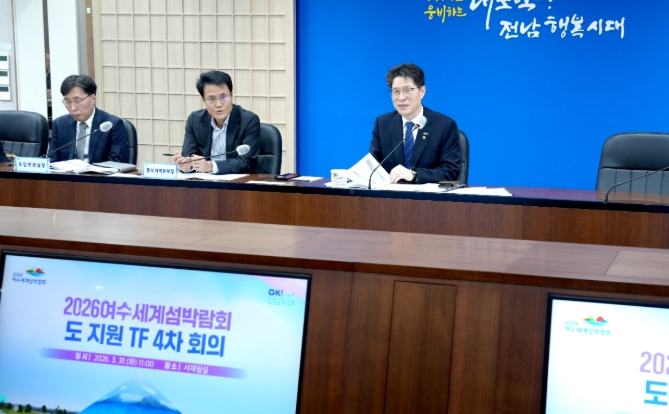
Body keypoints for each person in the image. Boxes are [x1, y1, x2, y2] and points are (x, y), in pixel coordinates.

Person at [370, 63, 461, 184]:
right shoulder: (382, 124)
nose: (401, 97)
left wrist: (414, 174)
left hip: (427, 195)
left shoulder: (444, 126)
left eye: (407, 90)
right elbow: (372, 168)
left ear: (422, 91)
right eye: (396, 91)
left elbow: (451, 171)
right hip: (391, 194)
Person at [172, 71, 260, 174]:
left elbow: (246, 163)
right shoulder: (195, 120)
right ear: (203, 100)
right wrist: (187, 165)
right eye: (211, 99)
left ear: (232, 95)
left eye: (223, 97)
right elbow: (189, 155)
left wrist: (210, 166)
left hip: (237, 182)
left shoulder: (249, 120)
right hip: (204, 182)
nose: (218, 104)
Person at [48, 75, 129, 163]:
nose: (72, 108)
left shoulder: (111, 125)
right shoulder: (59, 124)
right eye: (68, 102)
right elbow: (52, 161)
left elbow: (118, 163)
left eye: (77, 101)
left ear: (93, 98)